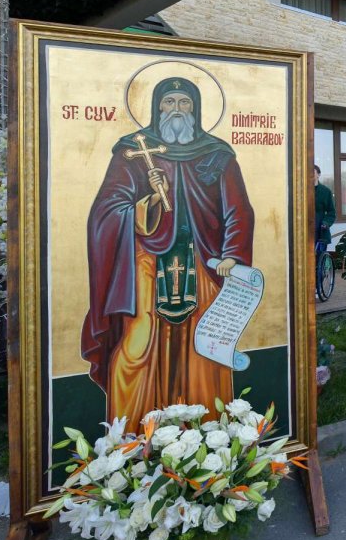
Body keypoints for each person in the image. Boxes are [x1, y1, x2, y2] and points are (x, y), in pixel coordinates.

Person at [83, 76, 254, 425]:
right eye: (170, 102)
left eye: (184, 102)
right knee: (136, 349)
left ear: (196, 108)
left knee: (205, 348)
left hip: (204, 262)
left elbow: (238, 210)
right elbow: (106, 211)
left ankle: (208, 429)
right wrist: (148, 202)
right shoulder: (132, 151)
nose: (177, 109)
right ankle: (131, 434)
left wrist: (232, 254)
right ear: (157, 107)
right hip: (146, 263)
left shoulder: (217, 154)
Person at [314, 164, 336, 250]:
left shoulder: (326, 191)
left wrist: (326, 223)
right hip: (304, 230)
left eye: (313, 173)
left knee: (319, 256)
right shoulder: (301, 190)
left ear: (318, 174)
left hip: (320, 230)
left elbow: (331, 212)